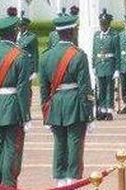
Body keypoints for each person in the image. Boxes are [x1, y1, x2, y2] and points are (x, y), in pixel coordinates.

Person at [39, 13, 95, 188]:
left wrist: (45, 114)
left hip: (55, 103)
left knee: (59, 143)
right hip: (75, 103)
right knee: (75, 142)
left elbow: (44, 89)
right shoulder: (78, 55)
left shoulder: (46, 56)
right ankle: (73, 178)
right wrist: (90, 114)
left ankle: (59, 178)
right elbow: (85, 87)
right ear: (71, 32)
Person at [0, 15, 31, 188]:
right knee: (12, 147)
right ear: (14, 32)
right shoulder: (20, 56)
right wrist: (26, 116)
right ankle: (8, 184)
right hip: (12, 106)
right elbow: (23, 90)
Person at [93, 10, 119, 120]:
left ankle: (109, 110)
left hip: (109, 64)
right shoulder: (97, 35)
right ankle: (102, 109)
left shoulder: (114, 35)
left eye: (105, 24)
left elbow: (117, 53)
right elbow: (94, 51)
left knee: (109, 88)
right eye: (101, 24)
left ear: (108, 24)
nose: (102, 26)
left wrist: (117, 69)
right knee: (101, 88)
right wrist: (94, 64)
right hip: (100, 65)